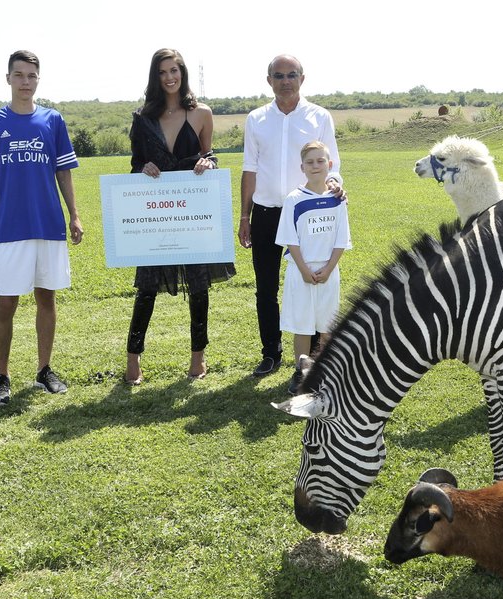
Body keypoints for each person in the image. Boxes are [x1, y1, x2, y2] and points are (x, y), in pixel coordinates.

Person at [0, 50, 83, 407]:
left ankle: (44, 371)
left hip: (48, 225)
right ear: (8, 79)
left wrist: (74, 214)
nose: (25, 82)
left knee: (46, 299)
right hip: (10, 228)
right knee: (6, 303)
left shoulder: (52, 120)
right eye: (19, 75)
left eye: (31, 76)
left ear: (38, 80)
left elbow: (63, 171)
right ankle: (2, 378)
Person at [123, 48, 234, 385]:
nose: (170, 77)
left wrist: (209, 163)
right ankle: (133, 361)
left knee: (199, 288)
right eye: (162, 72)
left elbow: (209, 154)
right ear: (155, 77)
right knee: (145, 288)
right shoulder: (142, 117)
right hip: (157, 214)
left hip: (193, 212)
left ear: (182, 72)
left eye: (174, 70)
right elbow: (135, 164)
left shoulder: (201, 113)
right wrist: (145, 167)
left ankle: (198, 360)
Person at [239, 54, 342, 377]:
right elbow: (250, 168)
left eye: (292, 74)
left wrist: (336, 187)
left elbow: (332, 166)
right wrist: (245, 216)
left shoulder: (319, 116)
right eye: (279, 75)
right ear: (269, 80)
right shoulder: (256, 119)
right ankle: (271, 353)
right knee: (265, 288)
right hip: (267, 213)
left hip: (308, 215)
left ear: (302, 78)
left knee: (312, 281)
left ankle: (311, 358)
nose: (286, 81)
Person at [276, 141, 351, 394]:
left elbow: (342, 239)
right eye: (310, 162)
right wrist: (304, 269)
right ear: (302, 167)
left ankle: (326, 372)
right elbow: (290, 240)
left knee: (327, 325)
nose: (315, 166)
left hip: (329, 271)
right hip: (301, 272)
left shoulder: (338, 199)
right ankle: (302, 371)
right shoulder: (294, 200)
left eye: (321, 161)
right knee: (303, 325)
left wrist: (329, 268)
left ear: (330, 165)